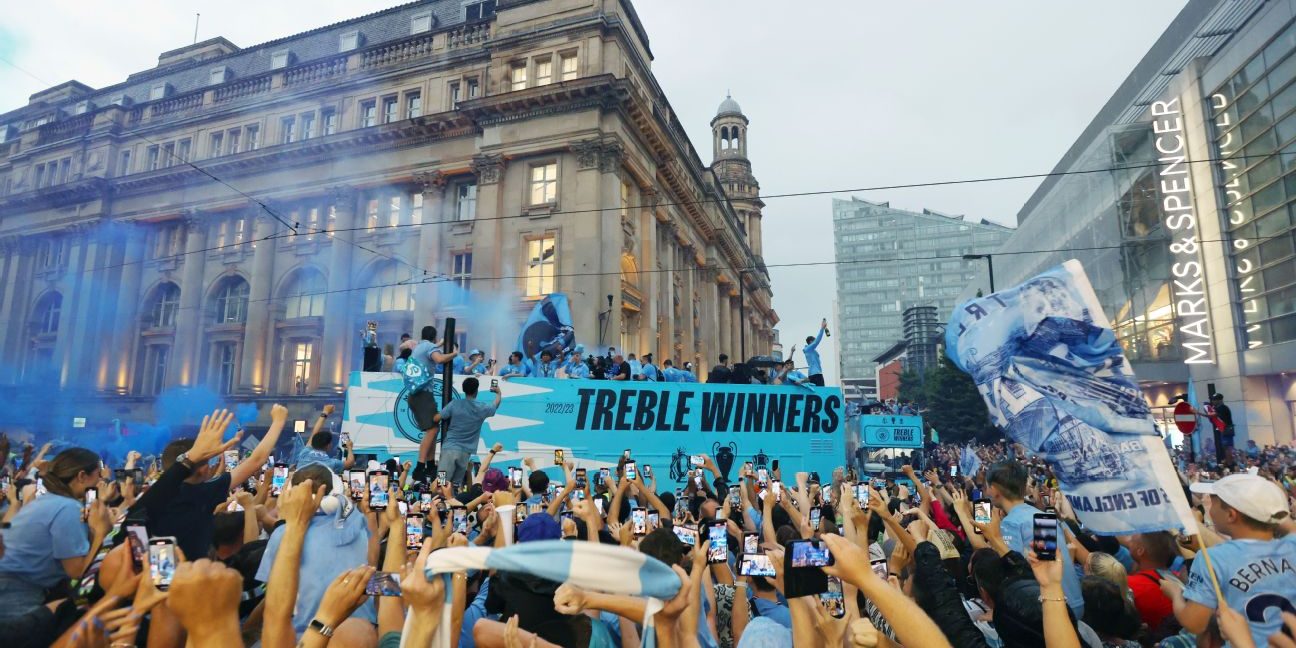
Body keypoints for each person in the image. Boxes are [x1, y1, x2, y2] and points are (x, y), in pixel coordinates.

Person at [1161, 473, 1295, 647]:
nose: (1208, 505)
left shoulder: (1211, 558)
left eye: (1212, 501)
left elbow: (1195, 623)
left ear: (1231, 515)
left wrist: (1175, 594)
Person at [145, 406, 287, 561]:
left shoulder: (152, 496)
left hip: (158, 574)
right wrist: (278, 422)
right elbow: (257, 459)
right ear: (203, 469)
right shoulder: (202, 492)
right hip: (194, 575)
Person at [0, 448, 111, 622]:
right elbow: (77, 571)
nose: (101, 481)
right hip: (16, 592)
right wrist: (101, 532)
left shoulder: (48, 501)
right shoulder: (68, 508)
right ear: (82, 476)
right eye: (98, 475)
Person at [985, 461, 1083, 617]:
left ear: (995, 489)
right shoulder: (1041, 516)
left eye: (987, 487)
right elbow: (1050, 563)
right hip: (1074, 602)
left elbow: (1015, 575)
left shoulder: (1011, 523)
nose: (986, 492)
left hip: (1053, 612)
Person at [405, 325, 457, 476]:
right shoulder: (429, 347)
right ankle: (420, 466)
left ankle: (429, 465)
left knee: (433, 429)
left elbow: (431, 349)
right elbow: (439, 359)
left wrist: (439, 344)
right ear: (434, 337)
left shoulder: (420, 346)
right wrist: (454, 354)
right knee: (433, 430)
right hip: (423, 395)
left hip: (416, 395)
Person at [432, 377, 502, 485]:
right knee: (456, 485)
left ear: (463, 390)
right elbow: (494, 406)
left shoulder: (454, 404)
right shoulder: (482, 408)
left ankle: (439, 501)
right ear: (476, 391)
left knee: (441, 482)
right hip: (465, 453)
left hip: (449, 449)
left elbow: (436, 418)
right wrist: (498, 393)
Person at [803, 319, 828, 387]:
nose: (815, 344)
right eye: (813, 341)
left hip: (814, 374)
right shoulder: (808, 349)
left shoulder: (811, 351)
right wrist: (822, 328)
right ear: (811, 342)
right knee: (821, 391)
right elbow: (817, 341)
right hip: (816, 374)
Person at [1210, 393, 1235, 460]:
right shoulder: (1218, 408)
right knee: (1225, 447)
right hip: (1223, 430)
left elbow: (1211, 415)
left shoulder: (1223, 408)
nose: (1213, 401)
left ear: (1220, 400)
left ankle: (1231, 464)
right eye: (1212, 400)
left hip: (1227, 429)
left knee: (1228, 448)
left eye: (1215, 400)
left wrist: (1197, 412)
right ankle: (1228, 462)